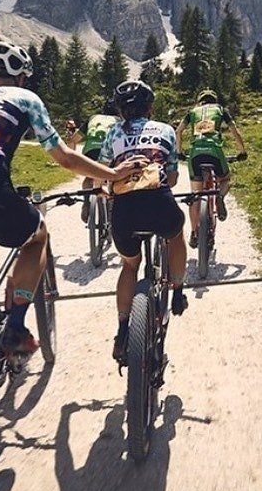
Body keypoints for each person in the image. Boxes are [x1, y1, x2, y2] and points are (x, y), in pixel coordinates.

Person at [0, 40, 145, 376]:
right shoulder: (26, 99)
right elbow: (65, 158)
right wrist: (113, 174)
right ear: (21, 77)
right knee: (36, 236)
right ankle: (14, 325)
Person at [98, 80, 189, 365]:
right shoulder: (164, 130)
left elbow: (102, 176)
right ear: (150, 107)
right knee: (175, 234)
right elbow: (172, 178)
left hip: (124, 211)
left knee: (129, 265)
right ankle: (178, 292)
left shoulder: (112, 132)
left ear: (121, 111)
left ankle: (124, 329)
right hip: (158, 203)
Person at [175, 88, 247, 249]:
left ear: (200, 101)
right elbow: (234, 131)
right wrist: (242, 151)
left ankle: (194, 233)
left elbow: (178, 131)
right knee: (226, 179)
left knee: (195, 195)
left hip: (195, 154)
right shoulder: (220, 109)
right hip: (215, 150)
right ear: (214, 100)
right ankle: (220, 196)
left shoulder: (192, 111)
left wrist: (179, 152)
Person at [66, 97, 121, 223]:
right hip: (109, 151)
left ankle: (86, 203)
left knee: (89, 179)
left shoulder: (93, 118)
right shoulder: (119, 120)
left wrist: (72, 158)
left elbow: (73, 140)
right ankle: (113, 208)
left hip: (90, 151)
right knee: (112, 179)